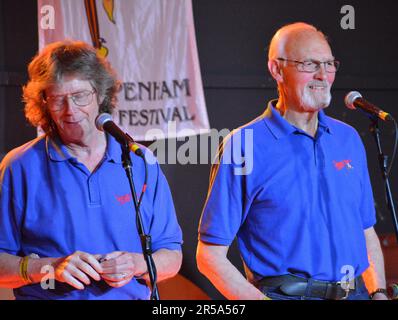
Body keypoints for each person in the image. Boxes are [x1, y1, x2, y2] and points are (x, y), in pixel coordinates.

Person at [196, 22, 387, 300]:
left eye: (329, 64)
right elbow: (209, 256)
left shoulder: (347, 139)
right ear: (276, 69)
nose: (323, 75)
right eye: (310, 64)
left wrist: (379, 292)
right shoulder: (243, 145)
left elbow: (365, 230)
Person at [0, 41, 183, 300]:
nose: (70, 110)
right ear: (43, 103)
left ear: (100, 94)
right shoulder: (19, 166)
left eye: (80, 96)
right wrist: (49, 268)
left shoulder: (140, 161)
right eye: (57, 99)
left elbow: (172, 256)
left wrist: (136, 264)